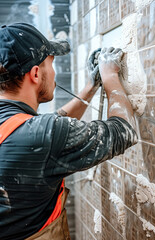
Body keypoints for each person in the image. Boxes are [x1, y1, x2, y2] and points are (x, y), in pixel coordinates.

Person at [0, 23, 137, 240]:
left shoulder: (17, 126)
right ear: (36, 73)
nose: (53, 73)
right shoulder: (42, 135)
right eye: (50, 63)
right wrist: (110, 74)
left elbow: (48, 132)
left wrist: (90, 87)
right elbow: (124, 132)